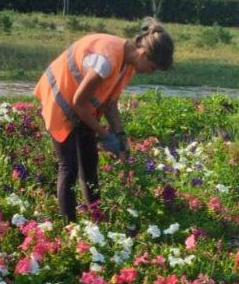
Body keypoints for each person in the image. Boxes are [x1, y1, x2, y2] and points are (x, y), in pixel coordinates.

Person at [35, 18, 174, 221]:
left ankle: (97, 220)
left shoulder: (127, 64)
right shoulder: (106, 61)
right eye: (152, 67)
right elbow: (79, 102)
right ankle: (68, 227)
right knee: (69, 167)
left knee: (90, 164)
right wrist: (103, 134)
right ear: (143, 54)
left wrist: (120, 135)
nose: (149, 73)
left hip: (81, 109)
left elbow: (110, 103)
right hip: (60, 100)